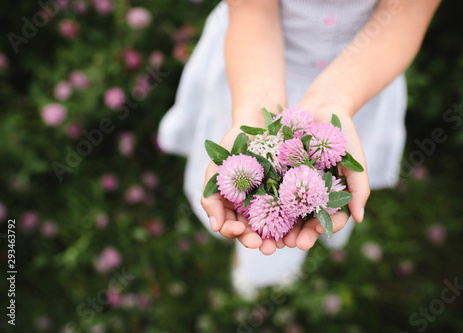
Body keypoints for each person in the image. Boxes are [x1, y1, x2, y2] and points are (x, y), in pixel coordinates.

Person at [158, 0, 441, 297]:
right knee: (239, 202)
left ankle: (267, 269)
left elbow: (406, 13)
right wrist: (254, 111)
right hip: (252, 68)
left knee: (308, 211)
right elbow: (252, 9)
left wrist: (334, 102)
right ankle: (253, 265)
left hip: (360, 79)